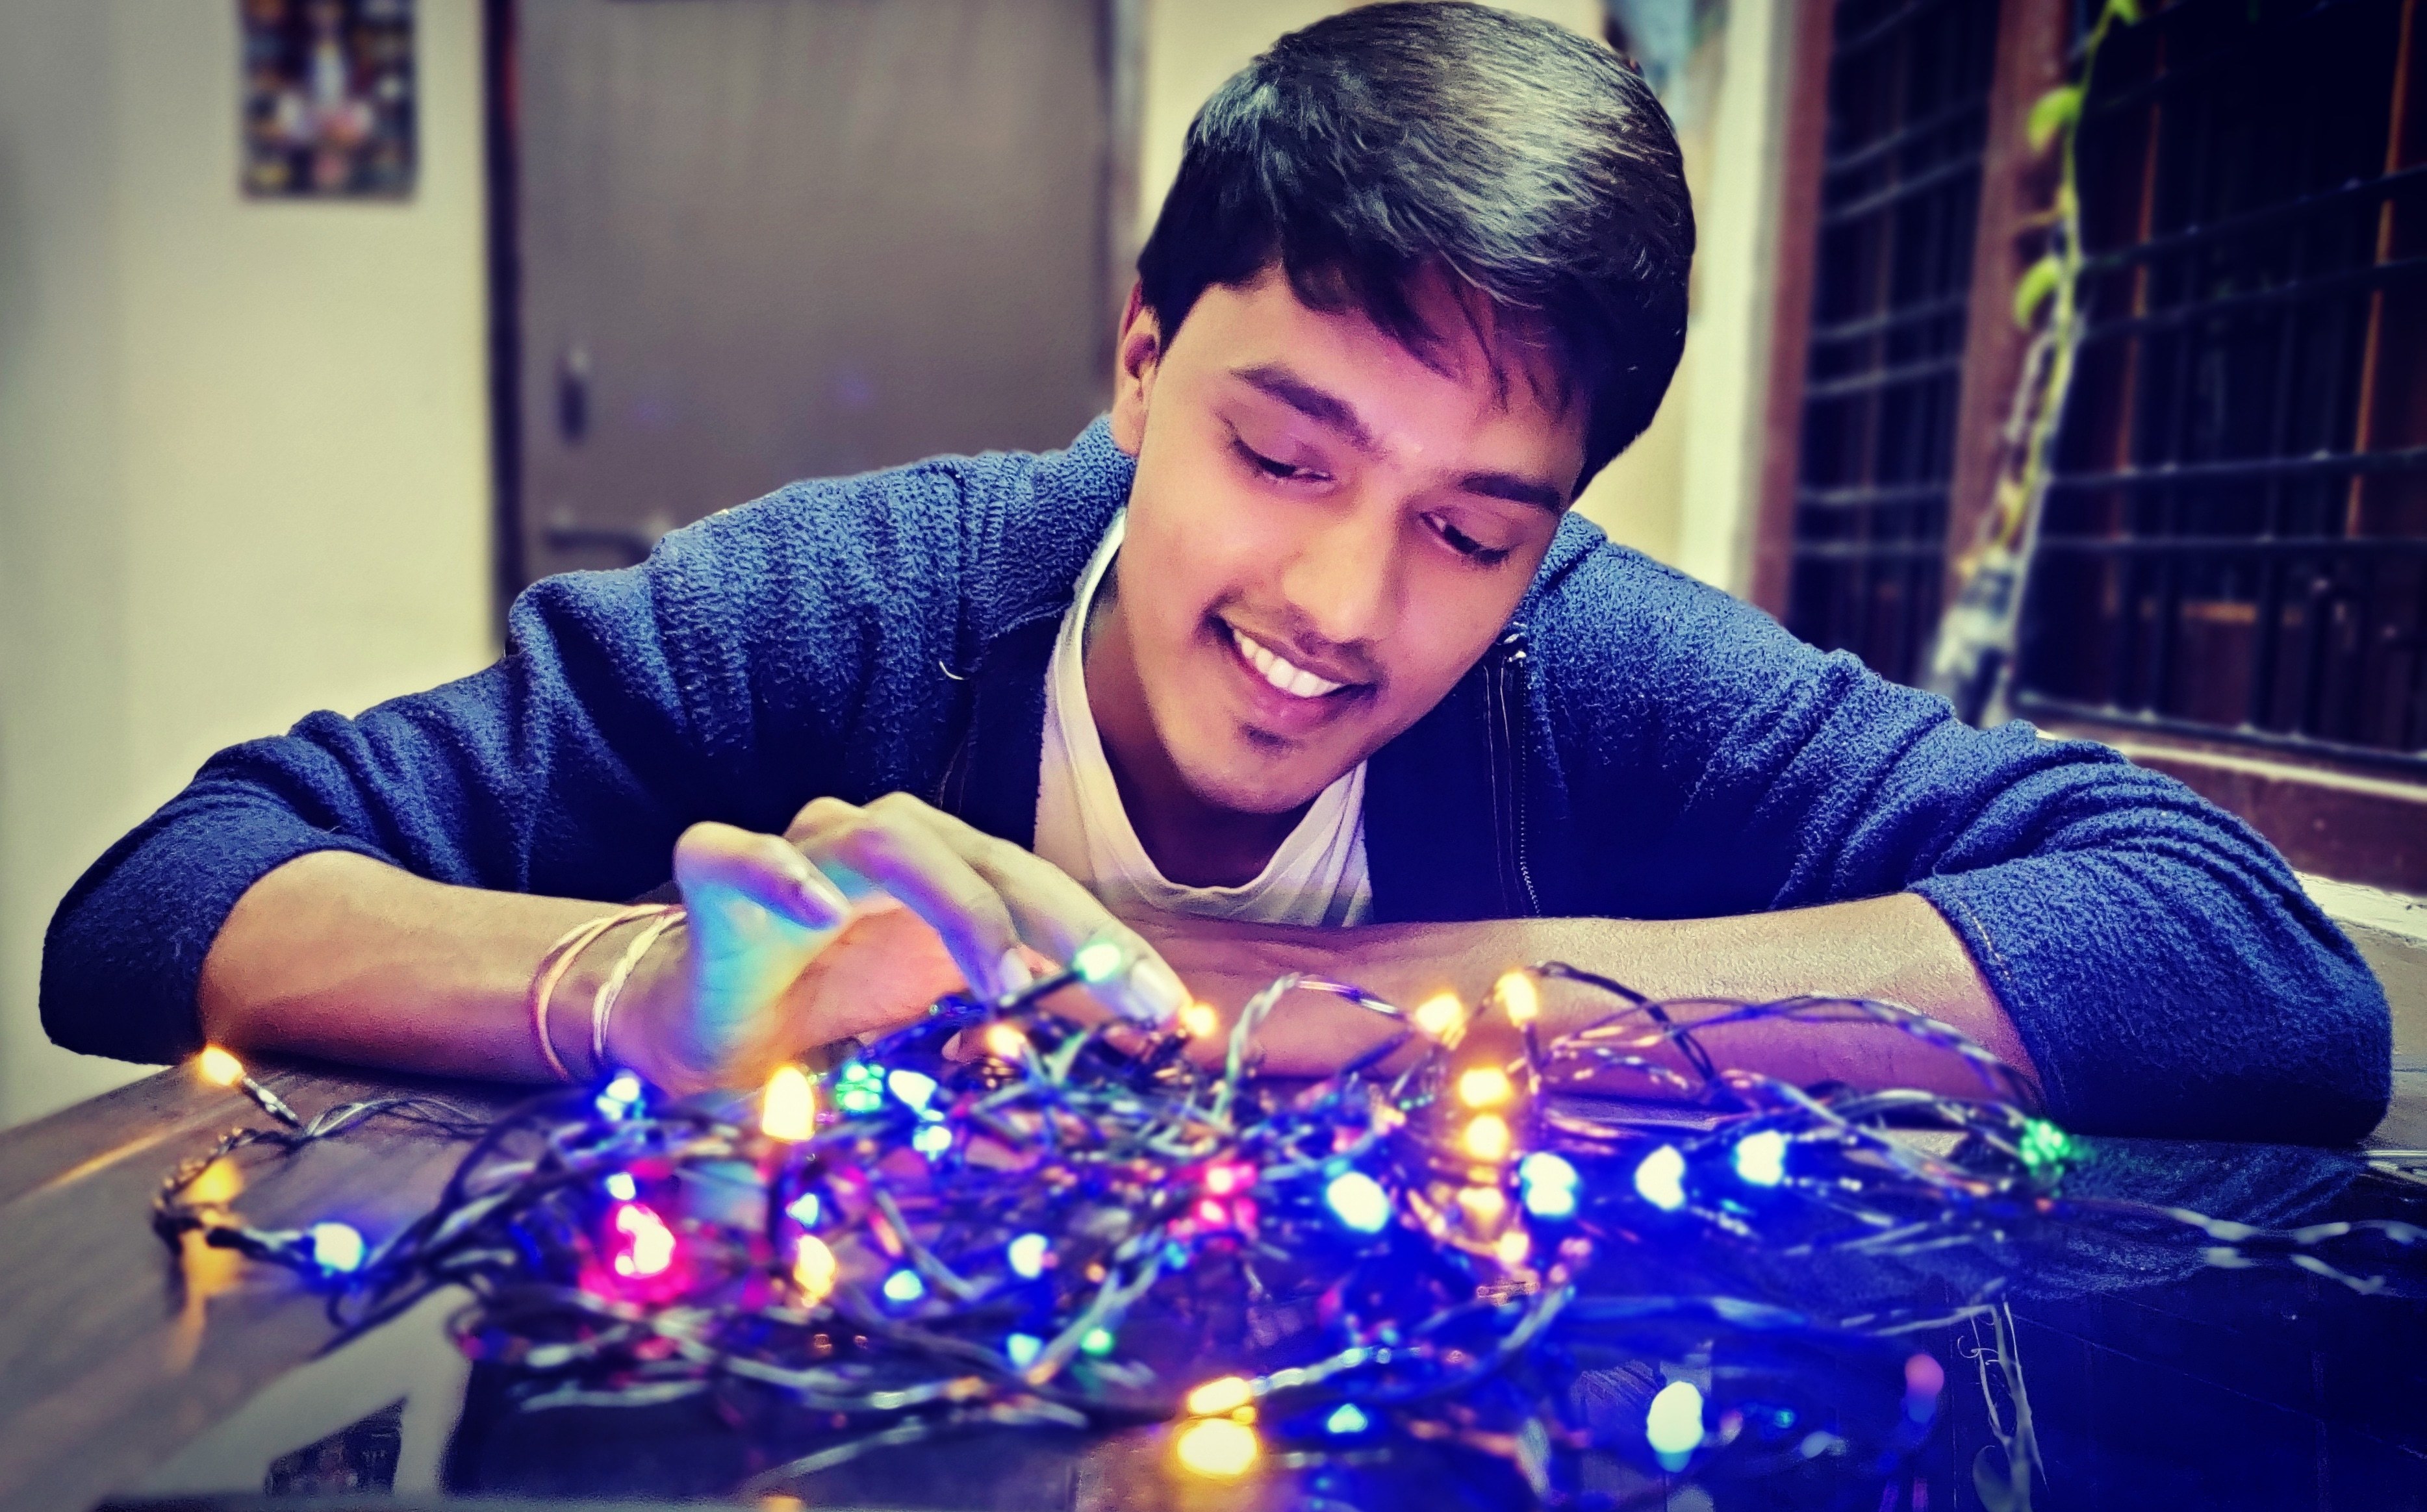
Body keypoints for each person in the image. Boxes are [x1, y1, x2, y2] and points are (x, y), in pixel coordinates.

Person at [42, 3, 2387, 1143]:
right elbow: (158, 901)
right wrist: (645, 993)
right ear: (1143, 363)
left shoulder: (1597, 674)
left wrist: (1410, 998)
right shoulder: (859, 607)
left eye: (1474, 525)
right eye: (1283, 451)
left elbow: (2246, 966)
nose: (1347, 603)